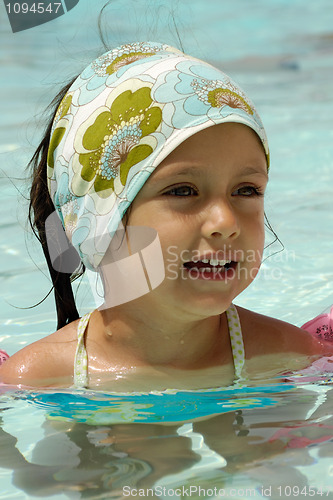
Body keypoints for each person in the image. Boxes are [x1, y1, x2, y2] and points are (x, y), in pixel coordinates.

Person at [0, 41, 332, 389]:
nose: (225, 223)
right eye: (183, 191)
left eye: (246, 190)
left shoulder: (286, 355)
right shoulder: (38, 379)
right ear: (98, 223)